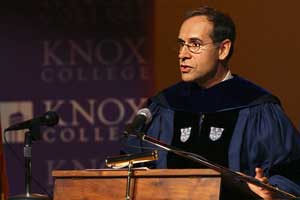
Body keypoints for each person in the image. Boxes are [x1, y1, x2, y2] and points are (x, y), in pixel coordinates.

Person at [124, 6, 300, 199]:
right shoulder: (164, 105)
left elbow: (290, 169)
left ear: (223, 49)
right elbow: (130, 165)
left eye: (195, 44)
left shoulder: (257, 106)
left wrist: (271, 190)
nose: (182, 54)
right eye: (181, 44)